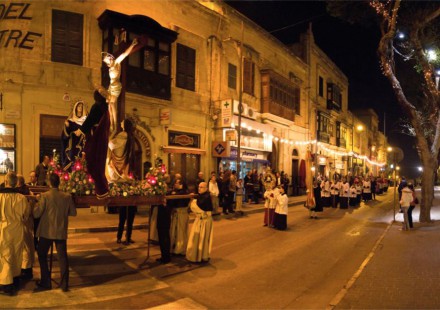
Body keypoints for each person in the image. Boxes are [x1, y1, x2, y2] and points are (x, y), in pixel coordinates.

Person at [33, 173, 77, 292]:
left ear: (49, 182)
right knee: (63, 257)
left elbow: (36, 213)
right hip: (60, 230)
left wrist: (36, 202)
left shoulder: (45, 196)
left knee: (42, 254)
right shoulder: (67, 196)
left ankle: (46, 281)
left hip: (46, 231)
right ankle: (64, 284)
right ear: (59, 183)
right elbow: (73, 212)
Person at [0, 172, 32, 296]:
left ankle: (6, 283)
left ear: (6, 182)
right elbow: (26, 215)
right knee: (16, 254)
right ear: (15, 183)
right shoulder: (22, 198)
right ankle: (15, 278)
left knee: (5, 255)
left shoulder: (0, 197)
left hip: (4, 228)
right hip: (18, 229)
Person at [74, 90, 110, 199]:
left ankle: (99, 189)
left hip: (96, 136)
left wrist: (81, 130)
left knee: (92, 161)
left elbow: (90, 120)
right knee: (99, 163)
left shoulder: (97, 106)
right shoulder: (107, 107)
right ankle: (102, 189)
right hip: (102, 137)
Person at [99, 38, 138, 134]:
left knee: (112, 103)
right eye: (106, 62)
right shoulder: (110, 67)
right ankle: (110, 123)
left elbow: (124, 54)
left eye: (107, 60)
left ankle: (114, 125)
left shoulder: (117, 62)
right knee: (108, 104)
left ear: (111, 58)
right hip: (111, 86)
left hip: (116, 86)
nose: (107, 63)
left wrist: (132, 45)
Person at [186, 182, 213, 263]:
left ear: (206, 188)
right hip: (199, 220)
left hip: (205, 221)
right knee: (196, 238)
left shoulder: (207, 196)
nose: (199, 188)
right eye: (199, 187)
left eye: (201, 187)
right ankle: (196, 255)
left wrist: (192, 200)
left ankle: (202, 256)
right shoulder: (201, 195)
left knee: (203, 239)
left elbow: (197, 205)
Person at [61, 100, 87, 170]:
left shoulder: (85, 122)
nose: (80, 108)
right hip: (72, 144)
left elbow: (88, 133)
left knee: (82, 158)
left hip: (82, 143)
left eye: (81, 106)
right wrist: (67, 126)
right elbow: (65, 136)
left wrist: (81, 132)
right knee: (71, 156)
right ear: (75, 108)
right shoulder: (71, 121)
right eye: (79, 106)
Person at [169, 179, 191, 256]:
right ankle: (175, 247)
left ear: (181, 184)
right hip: (177, 214)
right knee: (174, 231)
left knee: (180, 231)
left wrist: (173, 194)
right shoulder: (177, 192)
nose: (175, 184)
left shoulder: (184, 193)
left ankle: (180, 249)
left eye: (177, 183)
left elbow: (177, 202)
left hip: (181, 214)